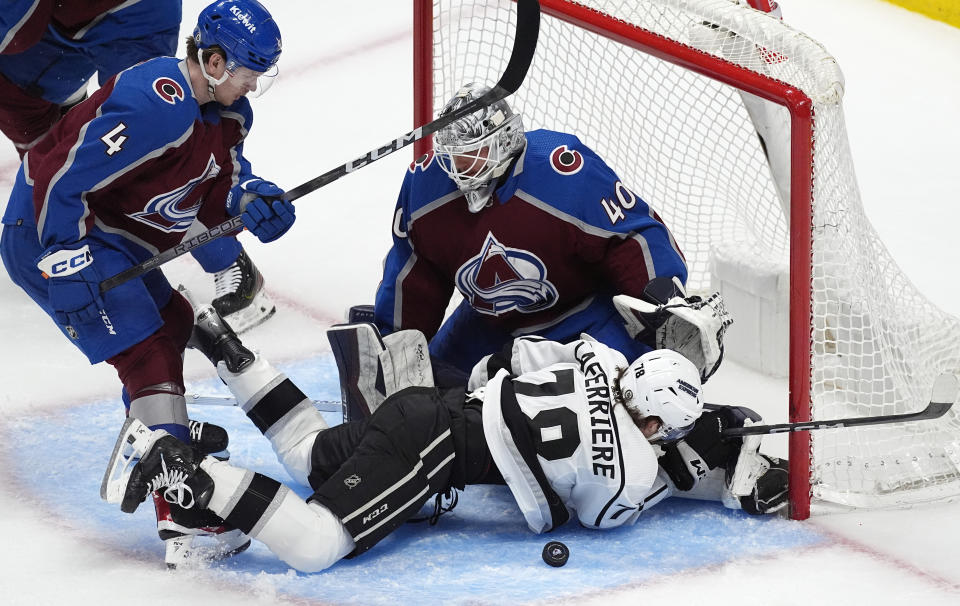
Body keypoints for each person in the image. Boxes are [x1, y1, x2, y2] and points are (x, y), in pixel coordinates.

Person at [105, 306, 788, 574]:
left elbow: (514, 357)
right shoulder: (633, 474)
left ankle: (226, 348)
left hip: (426, 405)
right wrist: (681, 466)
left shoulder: (600, 359)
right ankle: (184, 468)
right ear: (659, 426)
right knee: (315, 546)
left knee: (313, 457)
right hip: (431, 455)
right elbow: (597, 517)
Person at [0, 0, 293, 566]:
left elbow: (216, 190)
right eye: (248, 71)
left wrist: (250, 200)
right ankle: (179, 504)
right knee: (148, 347)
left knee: (173, 323)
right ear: (212, 60)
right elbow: (60, 175)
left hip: (112, 240)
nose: (253, 85)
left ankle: (164, 440)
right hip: (53, 235)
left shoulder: (229, 116)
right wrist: (63, 257)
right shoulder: (154, 101)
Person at [372, 82, 731, 384]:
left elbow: (634, 236)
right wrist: (395, 340)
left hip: (584, 318)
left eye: (474, 153)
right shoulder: (426, 186)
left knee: (634, 387)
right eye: (454, 155)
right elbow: (411, 275)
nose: (460, 167)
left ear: (505, 140)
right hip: (490, 324)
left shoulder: (562, 172)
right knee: (419, 388)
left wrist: (663, 298)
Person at [0, 0, 276, 332]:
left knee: (151, 155)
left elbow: (15, 27)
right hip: (57, 24)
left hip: (132, 15)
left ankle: (229, 262)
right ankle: (79, 246)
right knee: (56, 150)